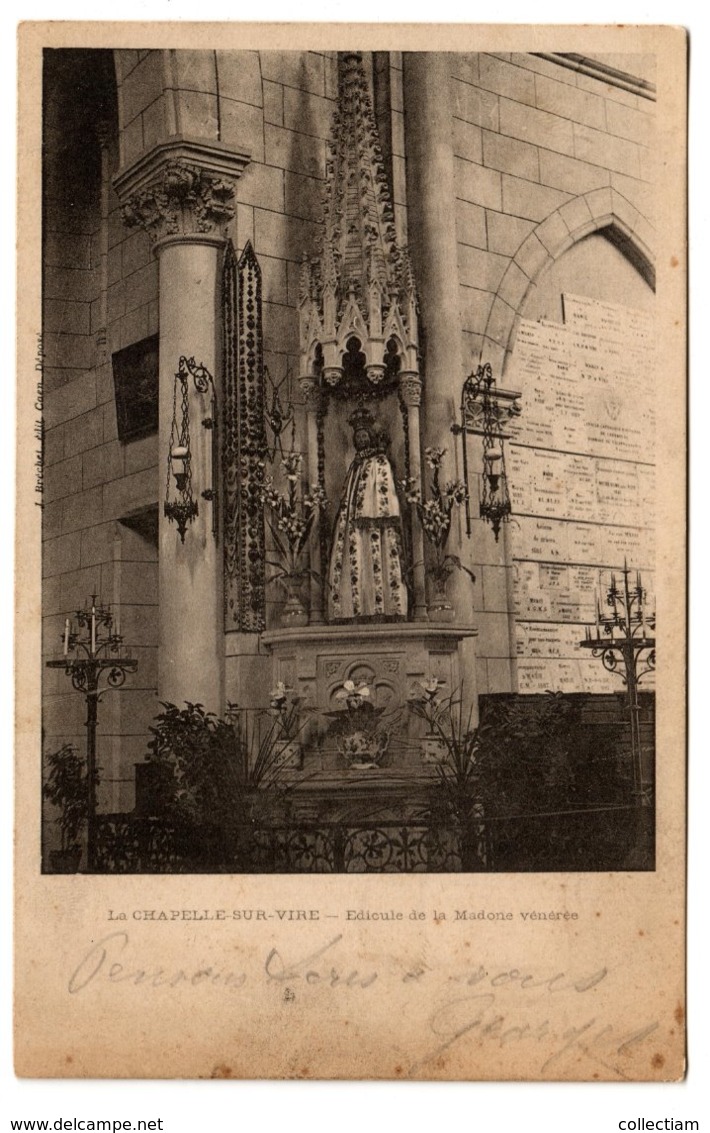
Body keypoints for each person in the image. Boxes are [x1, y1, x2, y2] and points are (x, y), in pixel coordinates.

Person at [327, 406, 409, 622]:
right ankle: (353, 610)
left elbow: (384, 490)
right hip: (352, 524)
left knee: (376, 559)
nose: (362, 440)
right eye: (358, 437)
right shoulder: (355, 465)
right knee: (355, 562)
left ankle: (380, 608)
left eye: (365, 435)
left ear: (371, 437)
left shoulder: (378, 461)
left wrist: (370, 512)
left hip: (374, 524)